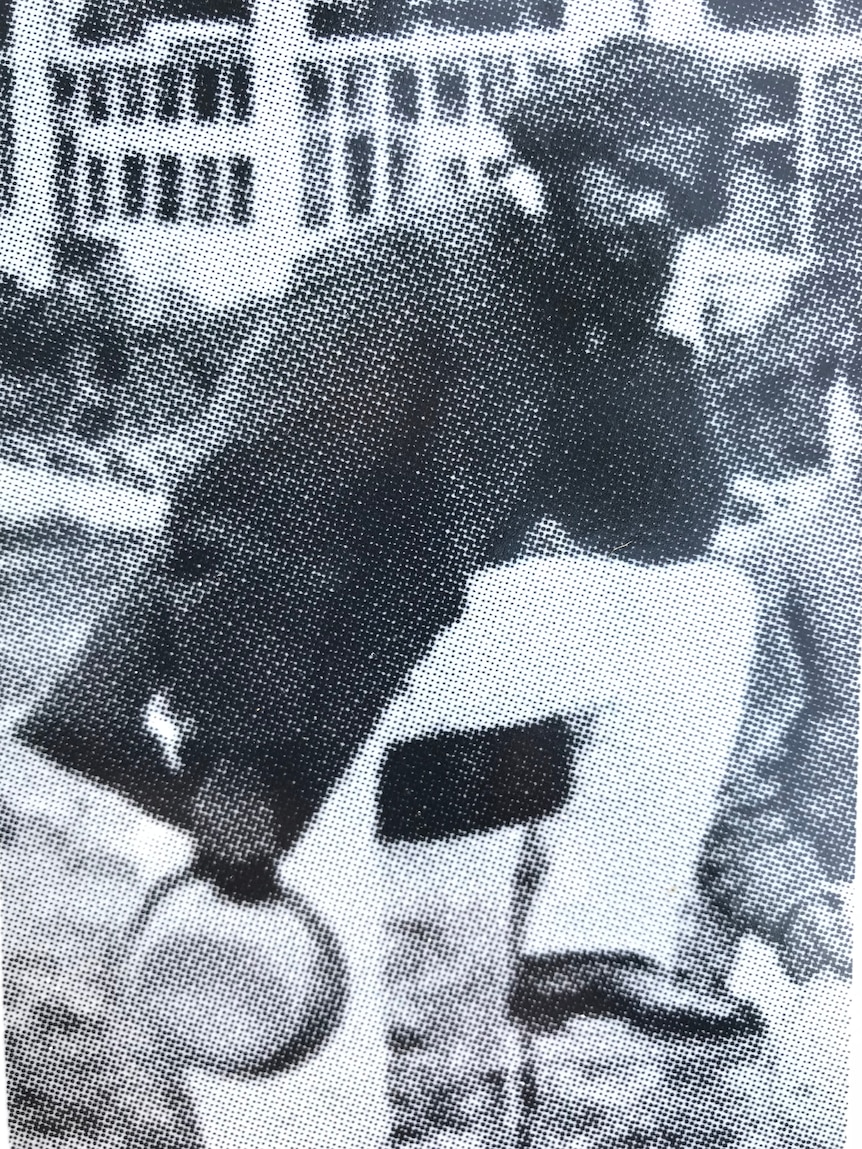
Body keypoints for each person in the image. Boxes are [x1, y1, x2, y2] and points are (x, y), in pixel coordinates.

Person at [21, 35, 742, 1040]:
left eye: (683, 199)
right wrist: (236, 765)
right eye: (635, 178)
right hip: (252, 679)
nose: (656, 212)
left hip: (400, 642)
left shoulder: (582, 305)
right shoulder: (406, 268)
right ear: (564, 153)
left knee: (703, 608)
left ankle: (591, 945)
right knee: (290, 1053)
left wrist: (656, 344)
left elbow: (659, 531)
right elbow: (246, 516)